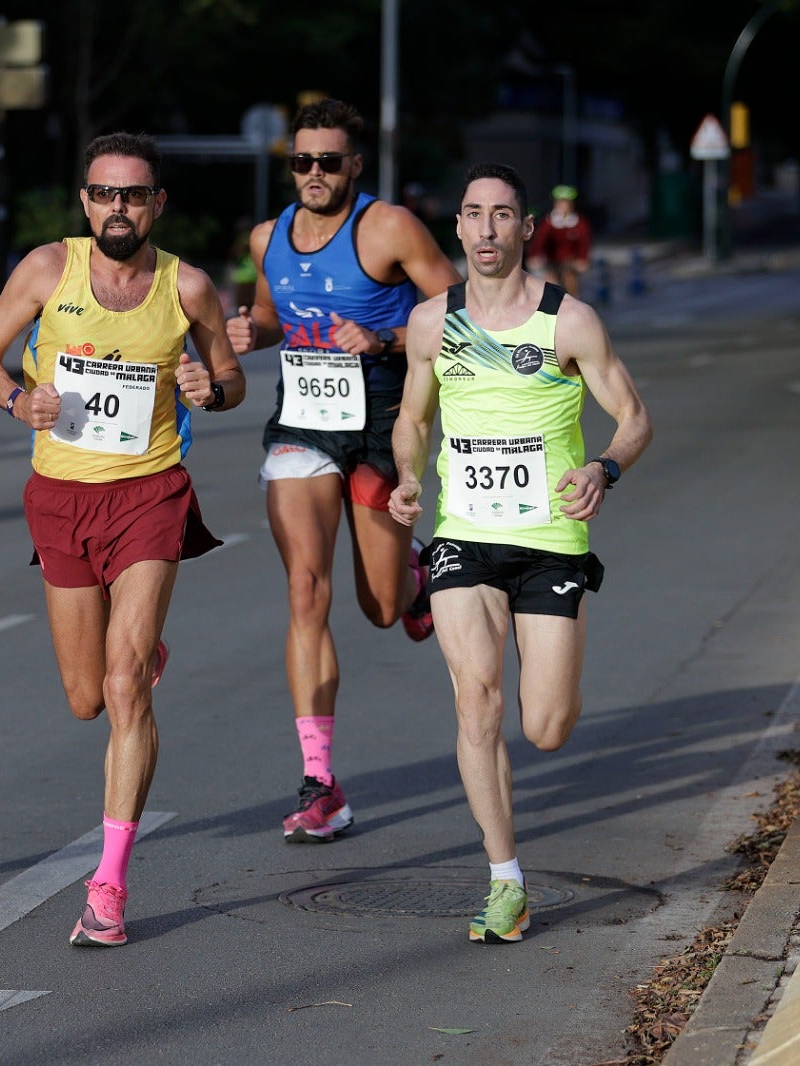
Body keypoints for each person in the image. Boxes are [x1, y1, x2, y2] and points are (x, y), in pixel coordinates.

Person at [0, 132, 245, 948]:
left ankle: (110, 885)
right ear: (84, 202)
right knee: (86, 695)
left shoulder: (187, 287)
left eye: (133, 194)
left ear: (158, 203)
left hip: (151, 493)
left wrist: (210, 386)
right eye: (103, 194)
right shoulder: (49, 271)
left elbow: (227, 379)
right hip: (60, 499)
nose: (117, 207)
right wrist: (19, 403)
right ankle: (137, 649)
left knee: (124, 688)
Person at [388, 162, 652, 943]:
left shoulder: (569, 322)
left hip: (547, 540)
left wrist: (603, 468)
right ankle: (505, 882)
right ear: (459, 228)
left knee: (545, 727)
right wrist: (405, 473)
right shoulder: (432, 322)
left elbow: (633, 417)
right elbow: (413, 417)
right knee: (476, 701)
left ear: (526, 228)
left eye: (503, 215)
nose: (487, 229)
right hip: (465, 534)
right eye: (473, 214)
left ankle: (552, 682)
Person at [226, 98, 462, 844]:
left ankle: (417, 575)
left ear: (354, 166)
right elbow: (268, 317)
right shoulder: (269, 237)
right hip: (302, 422)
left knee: (383, 607)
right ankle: (320, 782)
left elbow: (461, 307)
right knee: (305, 588)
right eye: (303, 161)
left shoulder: (387, 227)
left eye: (330, 161)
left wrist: (388, 337)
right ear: (289, 164)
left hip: (381, 428)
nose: (315, 174)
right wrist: (247, 332)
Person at [529, 184, 593, 297]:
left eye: (566, 203)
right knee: (550, 282)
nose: (563, 206)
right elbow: (539, 241)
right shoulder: (549, 222)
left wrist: (583, 259)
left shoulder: (579, 223)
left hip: (569, 262)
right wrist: (535, 255)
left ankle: (574, 302)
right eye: (560, 203)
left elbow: (584, 243)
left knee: (569, 278)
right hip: (551, 261)